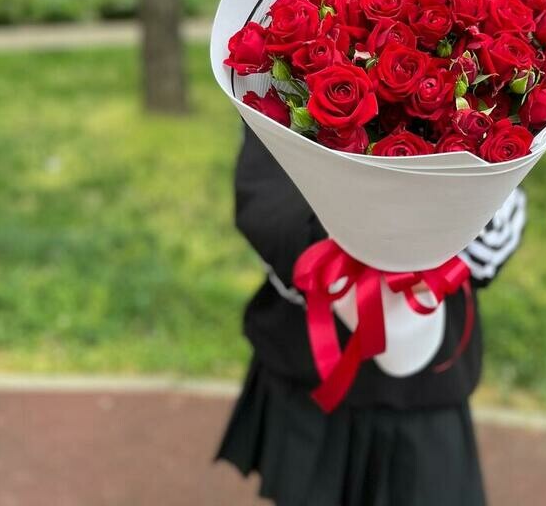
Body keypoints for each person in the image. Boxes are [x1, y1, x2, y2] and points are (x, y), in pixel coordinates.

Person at [217, 125, 527, 506]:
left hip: (425, 390)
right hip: (308, 372)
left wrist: (427, 253)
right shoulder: (277, 99)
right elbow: (265, 201)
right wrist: (351, 257)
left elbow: (501, 209)